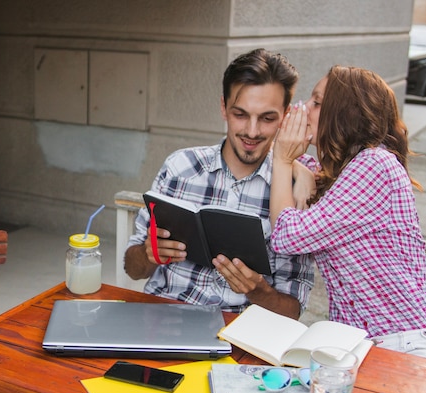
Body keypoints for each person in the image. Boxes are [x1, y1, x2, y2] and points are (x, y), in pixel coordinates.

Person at [270, 65, 426, 363]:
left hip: (405, 343)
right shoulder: (336, 173)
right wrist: (298, 168)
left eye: (317, 103)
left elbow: (287, 236)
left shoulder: (374, 165)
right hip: (355, 347)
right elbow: (274, 153)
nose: (304, 108)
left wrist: (283, 160)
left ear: (344, 114)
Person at [123, 48, 316, 319]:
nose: (252, 131)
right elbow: (132, 269)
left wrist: (258, 290)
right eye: (240, 114)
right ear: (223, 107)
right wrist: (148, 254)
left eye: (267, 118)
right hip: (163, 321)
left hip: (239, 335)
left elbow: (292, 311)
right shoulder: (181, 167)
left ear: (285, 116)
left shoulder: (294, 189)